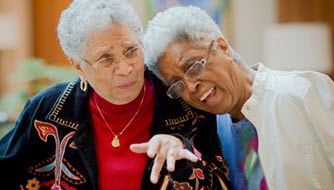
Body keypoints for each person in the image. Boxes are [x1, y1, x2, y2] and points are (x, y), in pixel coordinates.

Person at [0, 1, 231, 189]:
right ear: (79, 66)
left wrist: (185, 154)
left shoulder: (183, 103)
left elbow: (223, 182)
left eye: (131, 51)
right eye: (106, 59)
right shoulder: (48, 111)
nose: (125, 69)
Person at [143, 5, 334, 190]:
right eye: (177, 84)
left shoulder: (303, 92)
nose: (191, 87)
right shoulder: (211, 130)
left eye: (193, 67)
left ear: (223, 47)